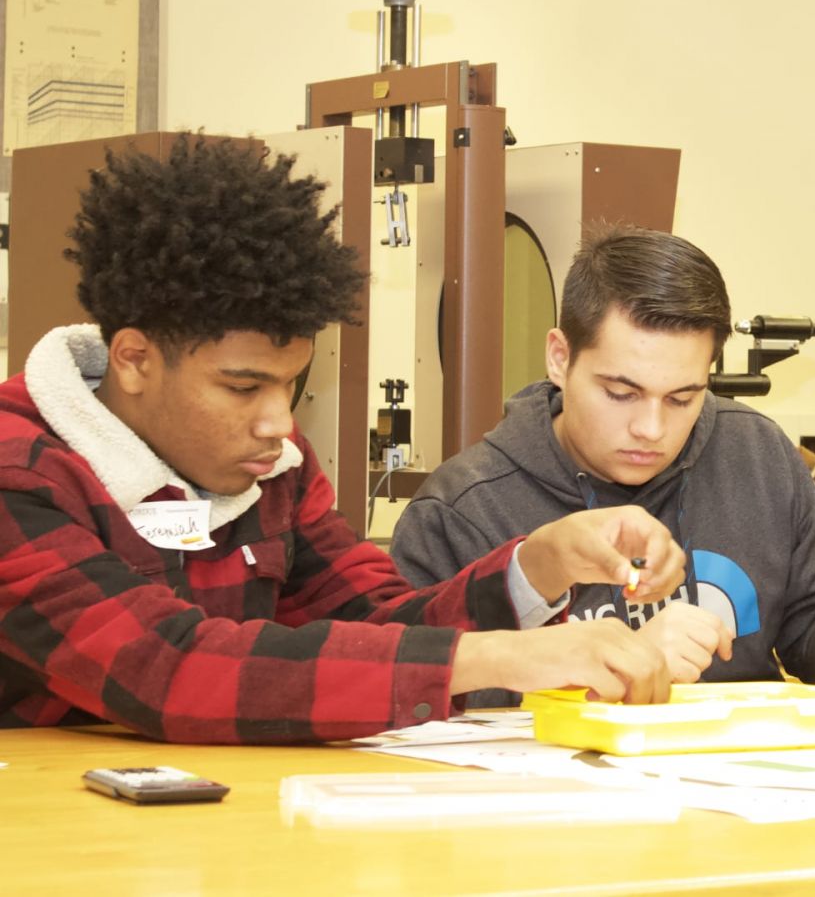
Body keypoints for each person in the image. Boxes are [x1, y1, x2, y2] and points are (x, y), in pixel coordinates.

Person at [0, 136, 678, 744]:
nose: (276, 423)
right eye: (243, 388)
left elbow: (384, 623)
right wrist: (499, 659)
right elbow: (164, 669)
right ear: (134, 359)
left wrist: (537, 567)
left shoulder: (273, 470)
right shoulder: (19, 468)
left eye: (290, 385)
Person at [390, 225, 815, 704]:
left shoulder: (755, 454)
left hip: (740, 792)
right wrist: (612, 670)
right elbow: (417, 692)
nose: (651, 429)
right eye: (621, 393)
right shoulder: (463, 508)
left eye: (683, 398)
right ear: (560, 357)